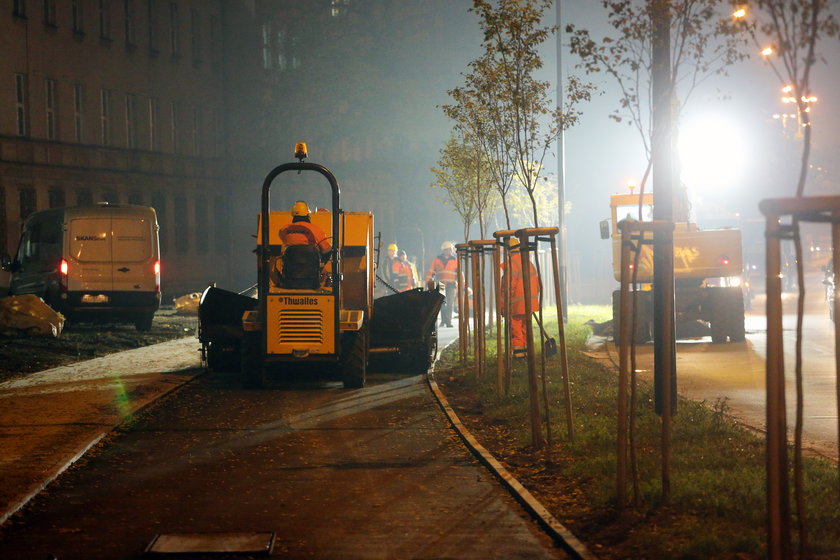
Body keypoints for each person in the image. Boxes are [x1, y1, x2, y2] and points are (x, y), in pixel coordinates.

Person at [501, 237, 540, 359]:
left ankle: (519, 354)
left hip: (516, 305)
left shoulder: (512, 264)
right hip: (529, 303)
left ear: (508, 251)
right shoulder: (528, 263)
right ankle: (528, 351)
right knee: (526, 328)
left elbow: (508, 286)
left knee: (516, 328)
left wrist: (504, 305)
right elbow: (537, 286)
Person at [426, 241, 458, 327]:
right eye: (448, 249)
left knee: (450, 303)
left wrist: (460, 284)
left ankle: (448, 322)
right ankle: (443, 321)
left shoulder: (455, 260)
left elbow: (459, 273)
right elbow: (432, 271)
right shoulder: (437, 260)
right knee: (442, 303)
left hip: (451, 284)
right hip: (441, 284)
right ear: (444, 250)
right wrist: (429, 281)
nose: (450, 251)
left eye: (451, 249)